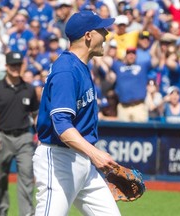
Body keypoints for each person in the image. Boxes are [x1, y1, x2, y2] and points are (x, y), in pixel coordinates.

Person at [33, 11, 121, 216]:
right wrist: (95, 154)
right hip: (59, 160)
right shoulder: (66, 70)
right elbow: (62, 126)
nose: (107, 34)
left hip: (82, 162)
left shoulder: (80, 67)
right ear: (89, 35)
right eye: (102, 30)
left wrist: (90, 155)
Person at [0, 51, 39, 216]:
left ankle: (27, 214)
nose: (15, 68)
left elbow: (35, 115)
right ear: (6, 66)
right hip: (2, 137)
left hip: (24, 137)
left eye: (18, 65)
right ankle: (1, 212)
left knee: (27, 178)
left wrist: (40, 134)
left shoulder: (29, 89)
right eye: (12, 65)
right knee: (0, 179)